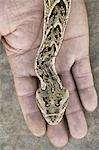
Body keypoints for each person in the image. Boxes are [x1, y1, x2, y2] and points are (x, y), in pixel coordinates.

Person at [0, 0, 98, 147]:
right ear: (63, 91)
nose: (53, 118)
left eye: (47, 110)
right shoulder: (41, 65)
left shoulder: (44, 64)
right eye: (59, 107)